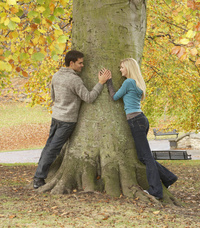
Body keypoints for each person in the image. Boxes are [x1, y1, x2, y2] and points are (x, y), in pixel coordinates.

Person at [33, 50, 110, 189]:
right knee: (53, 149)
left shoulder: (56, 76)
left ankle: (38, 176)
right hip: (67, 120)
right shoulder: (74, 79)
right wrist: (100, 82)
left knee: (49, 146)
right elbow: (89, 98)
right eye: (80, 63)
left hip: (56, 116)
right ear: (71, 63)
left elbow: (53, 97)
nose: (82, 65)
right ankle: (38, 178)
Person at [106, 58, 177, 199]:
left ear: (128, 67)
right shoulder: (137, 82)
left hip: (135, 121)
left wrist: (109, 81)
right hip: (141, 119)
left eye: (122, 67)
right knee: (142, 156)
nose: (120, 70)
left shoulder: (128, 82)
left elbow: (114, 97)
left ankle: (156, 191)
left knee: (146, 157)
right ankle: (168, 177)